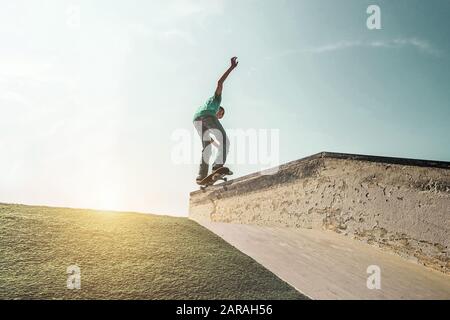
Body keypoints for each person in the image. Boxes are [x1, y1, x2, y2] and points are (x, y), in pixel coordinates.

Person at [193, 57, 238, 184]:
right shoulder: (217, 101)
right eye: (220, 114)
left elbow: (211, 140)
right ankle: (217, 166)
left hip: (196, 119)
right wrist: (231, 67)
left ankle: (201, 176)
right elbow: (219, 83)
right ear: (219, 110)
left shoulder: (206, 105)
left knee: (207, 147)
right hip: (206, 116)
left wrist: (220, 146)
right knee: (225, 140)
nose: (219, 117)